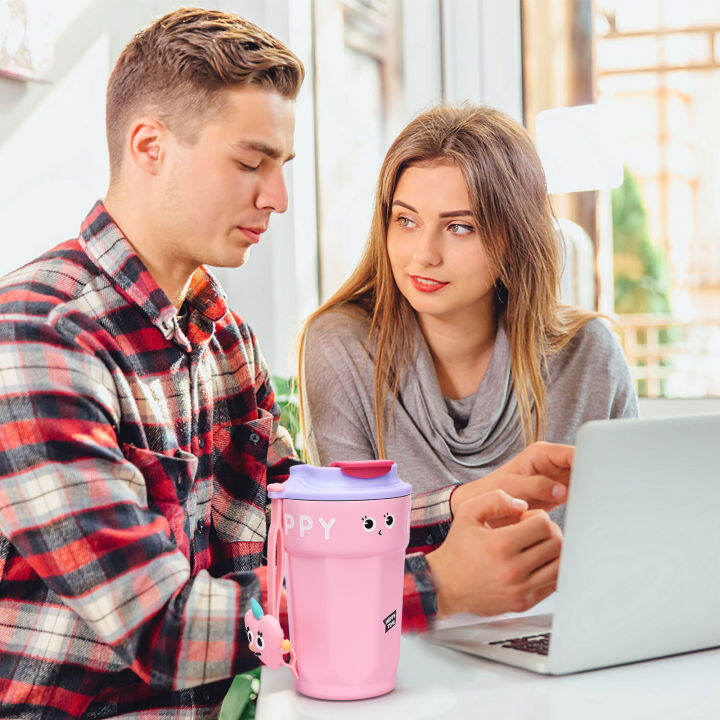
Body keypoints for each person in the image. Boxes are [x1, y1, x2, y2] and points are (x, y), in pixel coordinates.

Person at [0, 9, 451, 718]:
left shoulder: (223, 336)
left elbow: (295, 522)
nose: (276, 198)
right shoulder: (38, 335)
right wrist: (439, 586)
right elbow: (163, 628)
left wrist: (463, 511)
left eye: (281, 167)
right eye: (250, 163)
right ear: (149, 146)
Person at [299, 103, 638, 620]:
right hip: (401, 644)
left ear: (514, 236)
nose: (423, 255)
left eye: (459, 228)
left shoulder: (588, 354)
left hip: (562, 641)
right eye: (405, 221)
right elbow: (344, 543)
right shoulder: (341, 346)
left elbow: (630, 548)